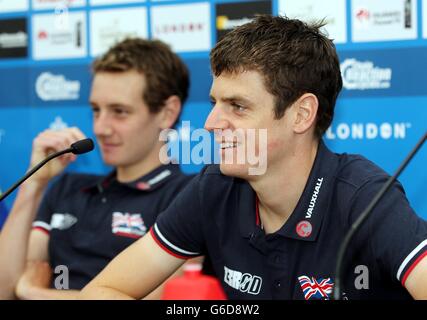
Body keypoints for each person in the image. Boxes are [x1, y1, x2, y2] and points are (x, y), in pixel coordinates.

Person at [80, 15, 427, 300]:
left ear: (302, 114)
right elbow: (104, 290)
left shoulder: (363, 196)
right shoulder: (214, 187)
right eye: (215, 102)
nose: (211, 124)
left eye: (238, 107)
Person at [0, 38, 192, 299]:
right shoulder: (67, 186)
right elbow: (3, 288)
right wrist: (33, 186)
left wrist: (31, 292)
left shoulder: (190, 197)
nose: (101, 128)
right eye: (95, 110)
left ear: (167, 113)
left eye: (119, 111)